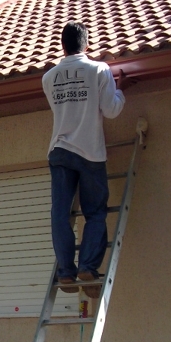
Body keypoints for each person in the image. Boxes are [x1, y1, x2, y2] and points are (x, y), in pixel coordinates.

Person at [42, 22, 128, 299]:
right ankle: (88, 268)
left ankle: (66, 271)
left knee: (60, 214)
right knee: (95, 212)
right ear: (86, 44)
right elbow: (111, 110)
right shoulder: (98, 70)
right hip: (90, 152)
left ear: (63, 45)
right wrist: (120, 90)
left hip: (60, 151)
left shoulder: (49, 77)